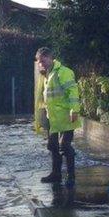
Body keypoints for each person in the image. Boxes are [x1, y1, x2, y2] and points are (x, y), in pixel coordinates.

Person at [35, 47, 81, 186]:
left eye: (43, 61)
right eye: (38, 61)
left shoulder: (63, 72)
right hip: (54, 119)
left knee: (64, 146)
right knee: (53, 146)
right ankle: (56, 174)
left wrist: (74, 110)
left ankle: (71, 176)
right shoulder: (46, 75)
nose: (40, 64)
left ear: (50, 58)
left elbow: (72, 91)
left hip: (66, 117)